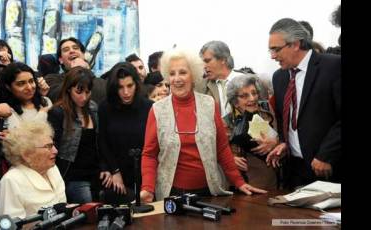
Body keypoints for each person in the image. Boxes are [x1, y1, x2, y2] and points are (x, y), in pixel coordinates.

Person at [140, 47, 267, 202]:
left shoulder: (209, 104)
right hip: (170, 194)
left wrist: (238, 182)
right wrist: (147, 188)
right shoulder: (157, 110)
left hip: (210, 192)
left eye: (183, 72)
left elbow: (221, 147)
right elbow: (149, 154)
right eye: (172, 74)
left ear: (193, 75)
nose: (177, 79)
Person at [267, 18, 341, 189]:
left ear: (295, 44)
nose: (272, 56)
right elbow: (287, 119)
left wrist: (326, 155)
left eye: (276, 49)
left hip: (329, 169)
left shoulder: (333, 67)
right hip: (294, 171)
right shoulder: (279, 77)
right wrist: (285, 143)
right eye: (270, 50)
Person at [47, 66, 112, 204]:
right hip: (73, 177)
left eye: (88, 92)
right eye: (79, 91)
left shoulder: (93, 108)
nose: (84, 97)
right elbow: (54, 149)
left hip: (96, 174)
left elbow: (100, 143)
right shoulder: (58, 113)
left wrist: (105, 167)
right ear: (69, 88)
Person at [98, 62, 153, 203]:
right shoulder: (105, 107)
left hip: (145, 173)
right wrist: (114, 171)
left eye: (130, 86)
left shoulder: (149, 107)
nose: (126, 92)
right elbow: (102, 141)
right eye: (120, 87)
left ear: (137, 84)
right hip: (117, 173)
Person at [0, 121, 66, 218]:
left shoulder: (52, 169)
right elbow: (12, 225)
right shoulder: (11, 181)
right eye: (48, 146)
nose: (55, 151)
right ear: (27, 155)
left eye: (53, 145)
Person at [225, 74, 282, 190]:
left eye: (254, 93)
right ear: (235, 102)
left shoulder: (268, 111)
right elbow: (218, 152)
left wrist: (276, 142)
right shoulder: (227, 122)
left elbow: (286, 136)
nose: (252, 98)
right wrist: (230, 158)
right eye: (244, 96)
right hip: (249, 185)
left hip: (279, 180)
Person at [44, 37, 107, 105]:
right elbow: (56, 97)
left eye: (75, 48)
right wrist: (76, 71)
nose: (72, 51)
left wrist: (86, 71)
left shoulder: (102, 82)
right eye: (66, 50)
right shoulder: (51, 79)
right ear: (61, 60)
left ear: (83, 55)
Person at [196, 41, 244, 118]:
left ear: (223, 59)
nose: (204, 66)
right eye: (202, 62)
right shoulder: (200, 87)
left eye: (207, 61)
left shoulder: (246, 81)